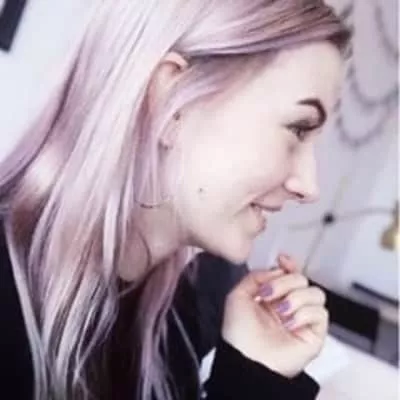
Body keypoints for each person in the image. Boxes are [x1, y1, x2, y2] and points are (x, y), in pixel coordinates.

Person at [0, 0, 351, 399]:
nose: (309, 186)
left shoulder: (187, 314)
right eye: (299, 128)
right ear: (172, 103)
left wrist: (254, 376)